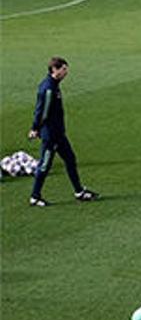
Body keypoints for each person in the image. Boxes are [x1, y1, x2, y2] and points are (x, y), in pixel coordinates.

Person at [28, 56, 98, 207]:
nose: (66, 73)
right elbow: (42, 112)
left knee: (70, 160)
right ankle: (35, 196)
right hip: (51, 136)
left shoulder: (54, 85)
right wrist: (35, 128)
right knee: (45, 165)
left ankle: (79, 191)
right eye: (64, 69)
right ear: (55, 70)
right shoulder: (48, 88)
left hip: (59, 135)